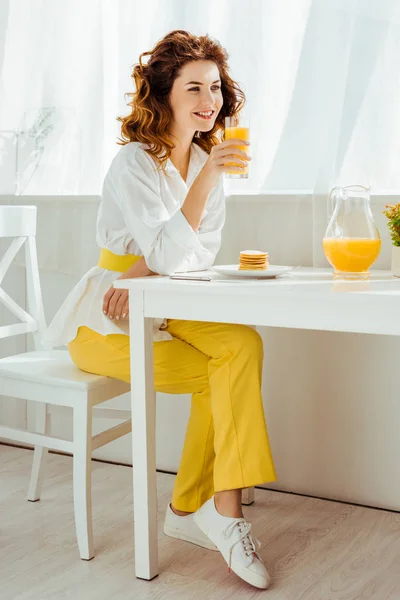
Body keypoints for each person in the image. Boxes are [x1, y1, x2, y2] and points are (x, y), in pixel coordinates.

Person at [45, 29, 277, 590]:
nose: (210, 100)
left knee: (243, 344)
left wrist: (150, 266)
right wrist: (162, 250)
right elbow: (176, 251)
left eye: (216, 88)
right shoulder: (134, 162)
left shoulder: (203, 159)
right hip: (107, 315)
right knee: (223, 372)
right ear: (164, 95)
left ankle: (209, 513)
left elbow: (194, 256)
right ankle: (207, 513)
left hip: (159, 296)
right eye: (194, 87)